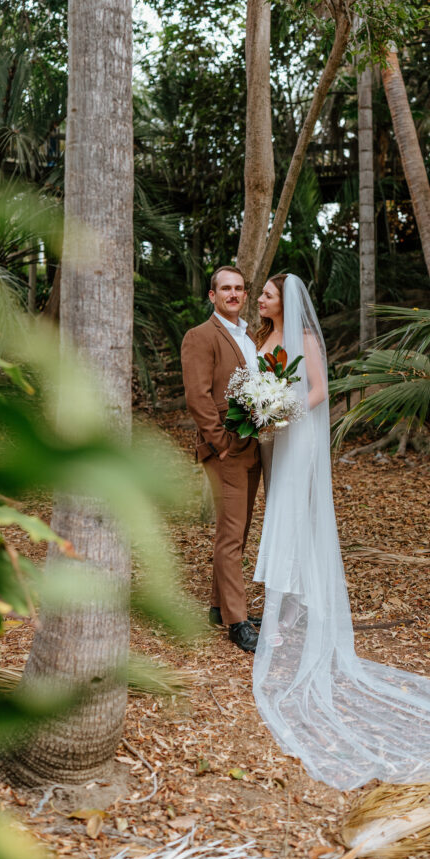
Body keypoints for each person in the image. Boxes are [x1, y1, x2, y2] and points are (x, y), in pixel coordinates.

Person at [252, 273, 430, 790]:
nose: (260, 298)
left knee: (294, 512)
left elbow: (318, 391)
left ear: (284, 299)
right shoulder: (264, 337)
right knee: (280, 512)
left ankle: (288, 603)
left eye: (266, 292)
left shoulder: (304, 338)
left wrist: (279, 411)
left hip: (300, 434)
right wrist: (261, 411)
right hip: (276, 438)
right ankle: (289, 595)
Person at [180, 266, 262, 653]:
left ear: (245, 295)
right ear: (212, 296)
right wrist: (219, 443)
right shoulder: (200, 336)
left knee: (239, 531)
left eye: (239, 289)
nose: (233, 294)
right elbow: (197, 397)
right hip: (226, 449)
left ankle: (219, 608)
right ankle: (237, 622)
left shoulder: (249, 337)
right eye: (225, 289)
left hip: (252, 447)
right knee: (231, 536)